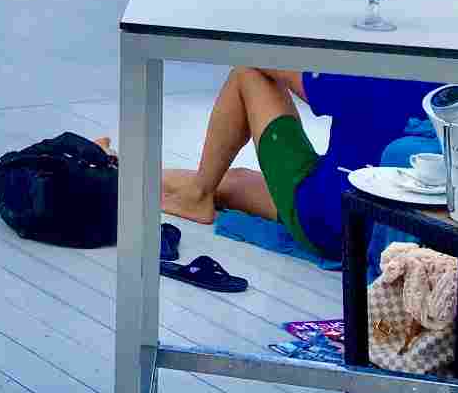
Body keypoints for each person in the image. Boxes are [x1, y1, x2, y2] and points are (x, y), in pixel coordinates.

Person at [153, 68, 439, 256]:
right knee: (234, 180)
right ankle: (137, 174)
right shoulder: (443, 74)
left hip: (329, 220)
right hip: (378, 217)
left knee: (247, 73)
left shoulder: (370, 71)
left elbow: (273, 62)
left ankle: (196, 197)